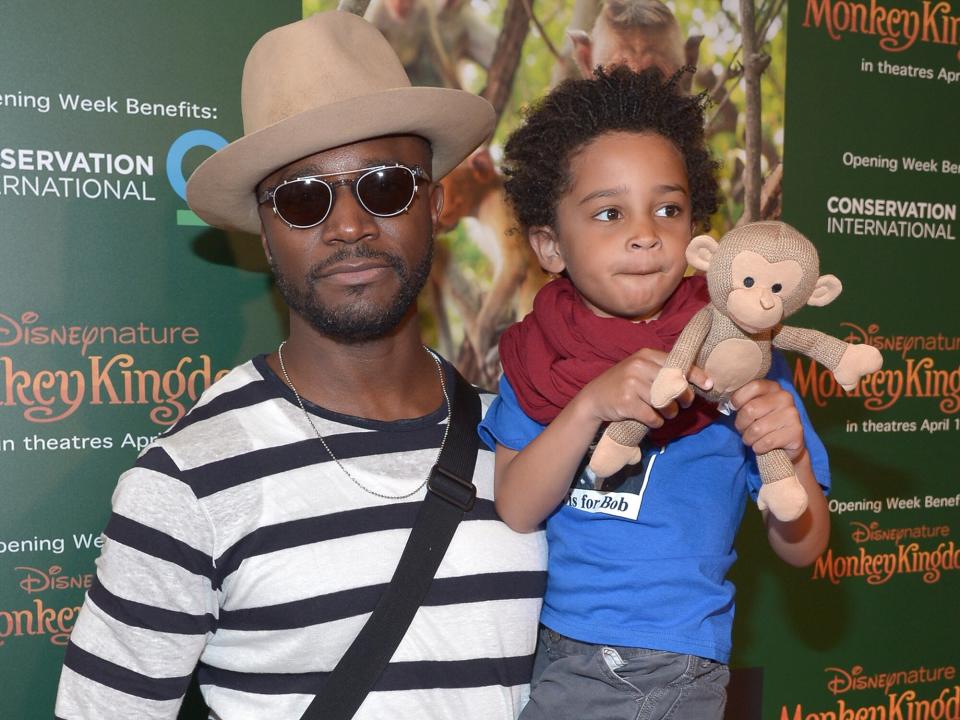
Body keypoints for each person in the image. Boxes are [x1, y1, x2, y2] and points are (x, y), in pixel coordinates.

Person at [54, 12, 547, 720]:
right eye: (303, 198)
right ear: (265, 229)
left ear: (435, 204)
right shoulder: (187, 483)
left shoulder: (523, 438)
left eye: (384, 186)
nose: (349, 226)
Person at [478, 65, 831, 719]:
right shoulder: (538, 359)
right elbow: (517, 508)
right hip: (552, 650)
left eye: (668, 209)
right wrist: (590, 404)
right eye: (609, 213)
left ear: (697, 232)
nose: (644, 233)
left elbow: (802, 545)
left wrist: (795, 453)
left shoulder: (742, 361)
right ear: (550, 245)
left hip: (662, 665)